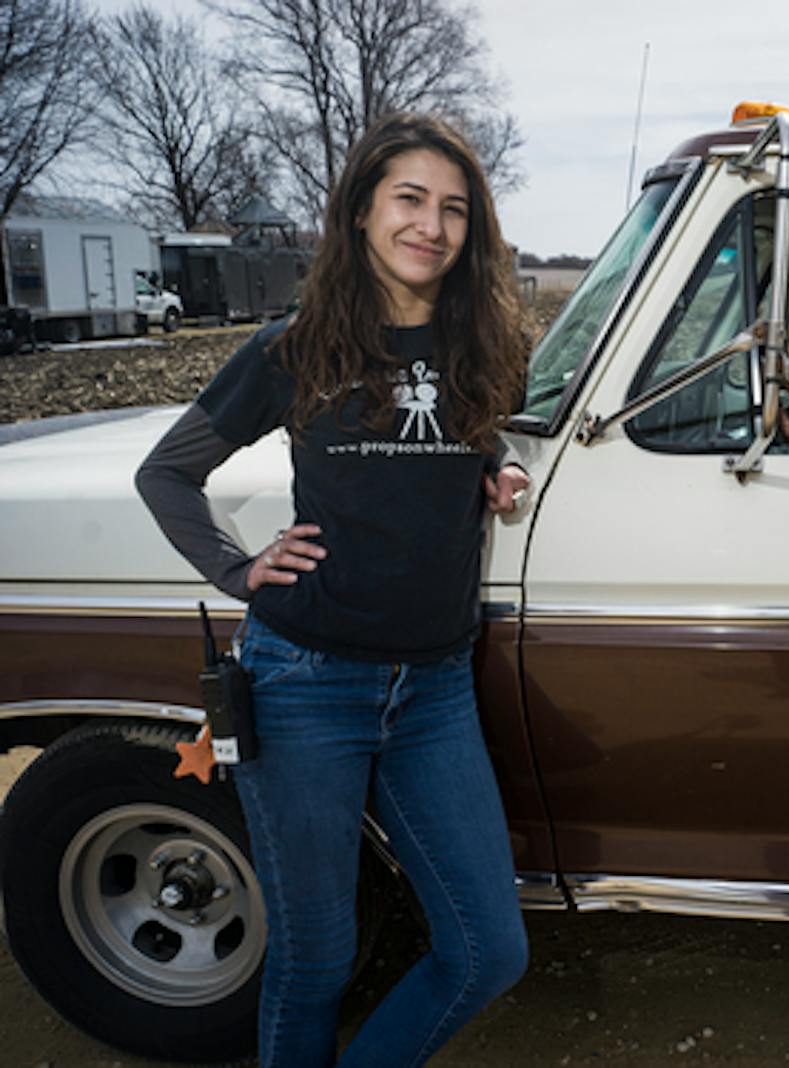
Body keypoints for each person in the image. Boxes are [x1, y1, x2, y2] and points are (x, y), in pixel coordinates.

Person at [136, 112, 530, 1066]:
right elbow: (167, 474)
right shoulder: (295, 347)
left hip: (433, 691)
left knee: (487, 951)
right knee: (316, 957)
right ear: (360, 211)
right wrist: (238, 570)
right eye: (408, 200)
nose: (430, 227)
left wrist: (498, 470)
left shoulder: (485, 346)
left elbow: (466, 447)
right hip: (306, 681)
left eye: (453, 209)